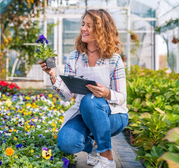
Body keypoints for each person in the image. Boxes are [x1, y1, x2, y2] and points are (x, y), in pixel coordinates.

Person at [38, 9, 128, 168]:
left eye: (89, 26)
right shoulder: (74, 57)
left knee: (90, 100)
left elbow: (122, 97)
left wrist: (106, 93)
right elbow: (67, 95)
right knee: (67, 143)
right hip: (83, 112)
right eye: (83, 24)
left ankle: (107, 157)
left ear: (102, 30)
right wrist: (53, 75)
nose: (83, 28)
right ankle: (93, 147)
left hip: (113, 115)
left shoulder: (114, 59)